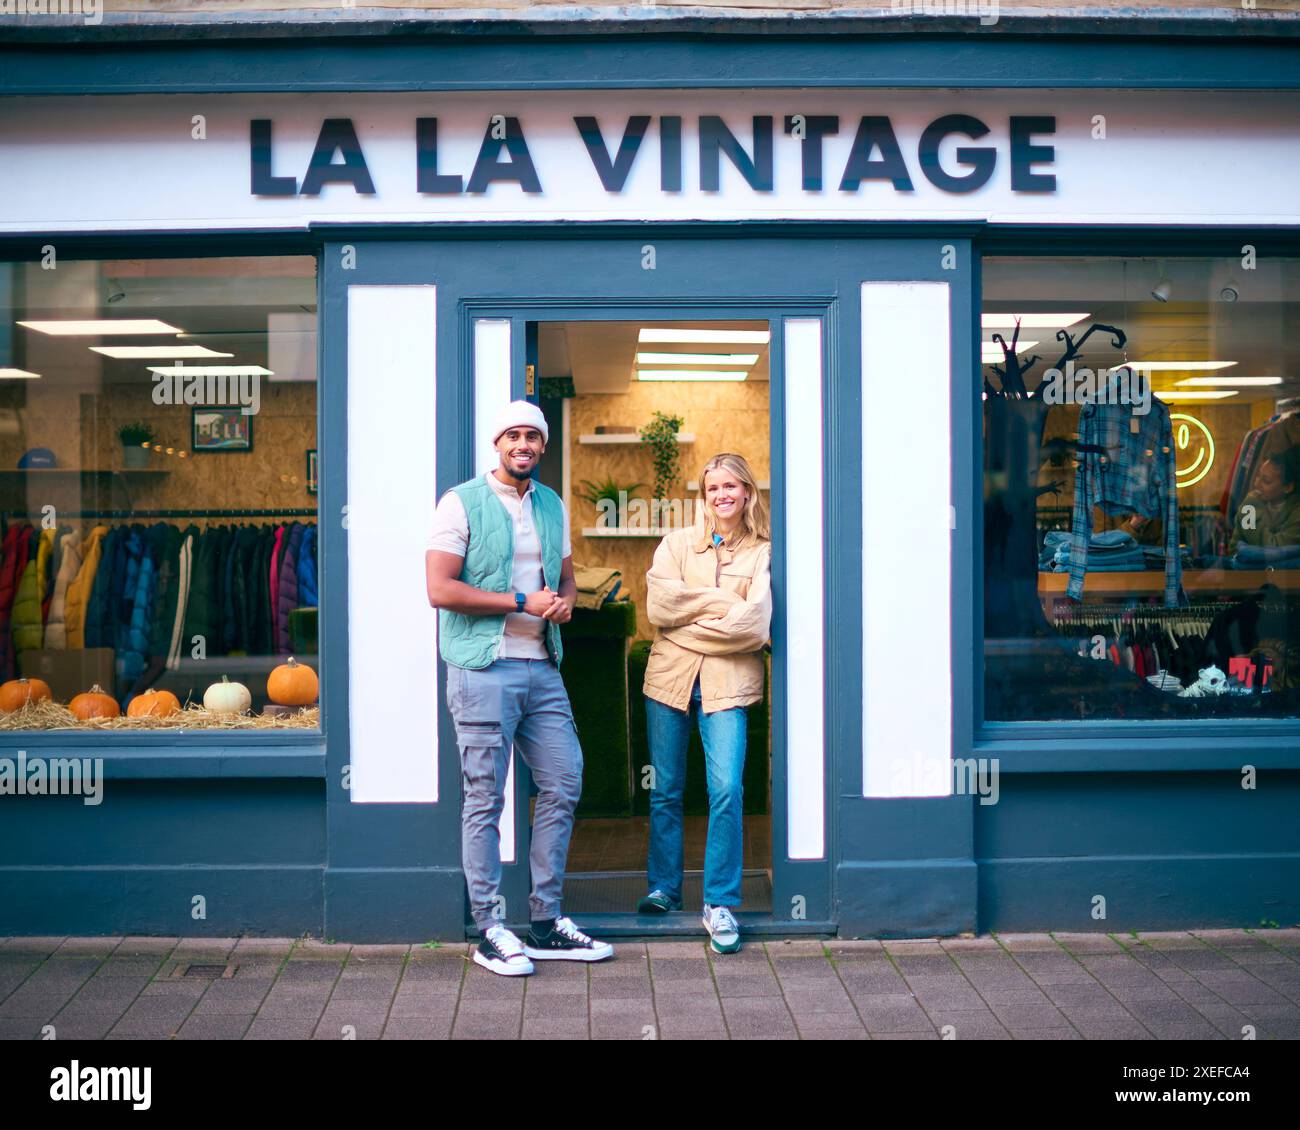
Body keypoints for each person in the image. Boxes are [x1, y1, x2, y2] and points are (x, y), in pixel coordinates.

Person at [425, 399, 613, 976]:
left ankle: (546, 921)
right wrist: (518, 602)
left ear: (543, 445)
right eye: (513, 435)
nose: (523, 444)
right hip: (483, 667)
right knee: (486, 796)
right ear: (497, 443)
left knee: (563, 781)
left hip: (542, 666)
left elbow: (568, 580)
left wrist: (563, 605)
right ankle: (489, 928)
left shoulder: (551, 504)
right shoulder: (461, 502)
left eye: (533, 435)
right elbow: (439, 588)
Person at [637, 452, 773, 954]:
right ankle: (664, 888)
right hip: (669, 682)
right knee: (666, 790)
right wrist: (722, 606)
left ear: (747, 493)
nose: (722, 496)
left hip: (727, 685)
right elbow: (658, 606)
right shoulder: (675, 545)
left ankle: (719, 902)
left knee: (727, 789)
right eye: (713, 488)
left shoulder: (763, 553)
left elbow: (754, 626)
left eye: (731, 487)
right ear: (704, 495)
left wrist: (688, 624)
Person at [1229, 447, 1300, 555]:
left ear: (1288, 487)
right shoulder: (1249, 505)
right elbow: (1234, 549)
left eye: (1266, 481)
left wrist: (1250, 510)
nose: (1256, 484)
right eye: (1258, 476)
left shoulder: (1296, 514)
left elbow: (1274, 549)